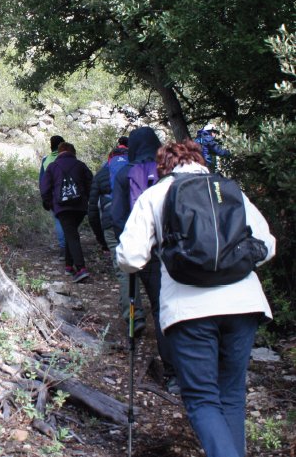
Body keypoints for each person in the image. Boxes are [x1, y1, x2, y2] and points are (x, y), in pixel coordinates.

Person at [116, 140, 275, 457]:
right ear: (200, 161)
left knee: (202, 398)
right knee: (231, 394)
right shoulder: (230, 190)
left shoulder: (156, 195)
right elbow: (267, 245)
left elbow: (131, 258)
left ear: (164, 166)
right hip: (244, 303)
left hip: (188, 310)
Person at [111, 126, 178, 393]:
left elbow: (117, 217)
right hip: (171, 249)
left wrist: (125, 244)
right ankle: (177, 372)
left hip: (143, 248)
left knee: (144, 297)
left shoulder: (125, 173)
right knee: (165, 307)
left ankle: (133, 322)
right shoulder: (168, 169)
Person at [87, 136, 146, 331]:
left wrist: (101, 238)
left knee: (124, 272)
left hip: (111, 225)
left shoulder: (103, 172)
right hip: (139, 222)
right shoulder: (139, 168)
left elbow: (93, 210)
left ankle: (134, 317)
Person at [40, 142, 93, 282]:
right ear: (72, 152)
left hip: (62, 207)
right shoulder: (81, 165)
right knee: (72, 233)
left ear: (59, 152)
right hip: (80, 207)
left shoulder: (52, 167)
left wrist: (50, 204)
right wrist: (86, 200)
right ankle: (69, 265)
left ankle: (81, 269)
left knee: (71, 234)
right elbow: (91, 184)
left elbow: (45, 188)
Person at [39, 135, 66, 258]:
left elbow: (42, 181)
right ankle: (72, 248)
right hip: (70, 194)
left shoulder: (46, 160)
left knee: (58, 221)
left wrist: (45, 198)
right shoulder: (69, 157)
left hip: (54, 196)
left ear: (51, 146)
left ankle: (63, 249)